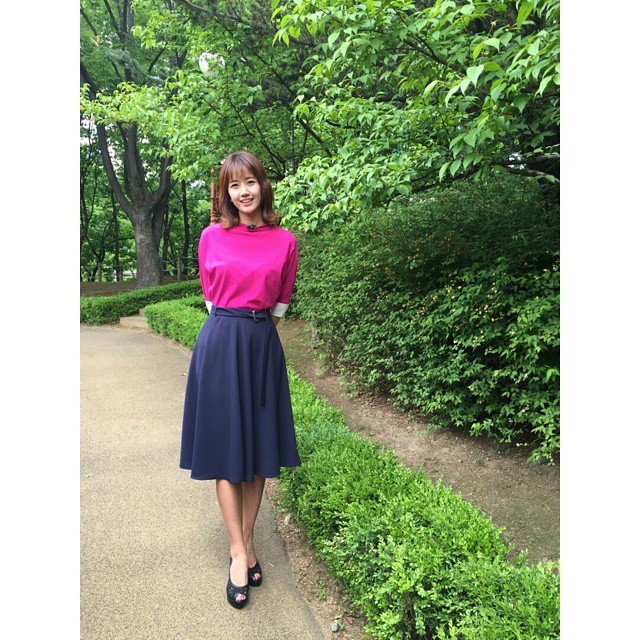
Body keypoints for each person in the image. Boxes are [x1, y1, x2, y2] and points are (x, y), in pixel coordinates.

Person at [180, 150, 301, 609]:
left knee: (259, 453)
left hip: (261, 345)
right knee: (226, 451)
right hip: (220, 345)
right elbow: (211, 299)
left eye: (250, 182)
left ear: (262, 186)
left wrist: (253, 327)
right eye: (234, 185)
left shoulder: (285, 241)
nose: (243, 191)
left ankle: (249, 539)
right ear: (226, 193)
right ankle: (237, 552)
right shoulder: (211, 236)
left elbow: (280, 304)